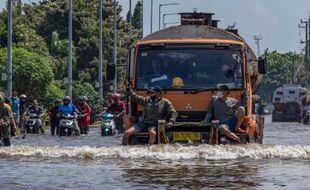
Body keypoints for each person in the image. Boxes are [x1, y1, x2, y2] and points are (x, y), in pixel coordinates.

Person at [122, 81, 178, 145]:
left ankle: (150, 151)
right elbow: (134, 97)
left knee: (152, 133)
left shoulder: (166, 102)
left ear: (159, 93)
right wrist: (128, 88)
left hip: (155, 124)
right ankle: (124, 150)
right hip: (143, 123)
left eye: (152, 92)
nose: (150, 94)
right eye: (149, 92)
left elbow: (173, 113)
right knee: (126, 133)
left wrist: (171, 122)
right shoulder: (147, 100)